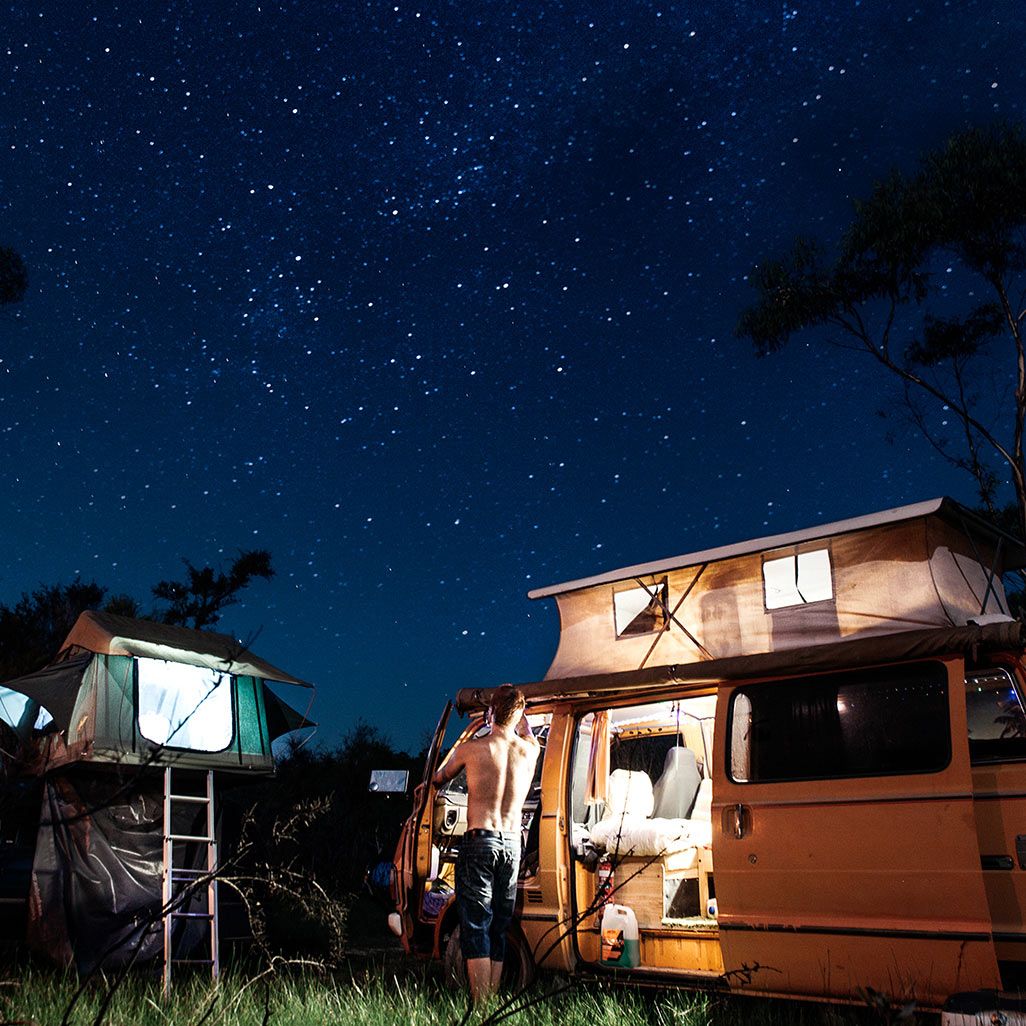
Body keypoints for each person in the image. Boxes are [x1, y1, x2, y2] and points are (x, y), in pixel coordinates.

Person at [432, 684, 540, 1004]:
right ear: (519, 713)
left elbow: (439, 778)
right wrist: (519, 717)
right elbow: (526, 730)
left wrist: (484, 724)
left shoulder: (472, 750)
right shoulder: (530, 750)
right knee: (499, 926)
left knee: (476, 924)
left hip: (480, 841)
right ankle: (491, 1000)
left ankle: (480, 1006)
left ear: (491, 712)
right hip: (512, 844)